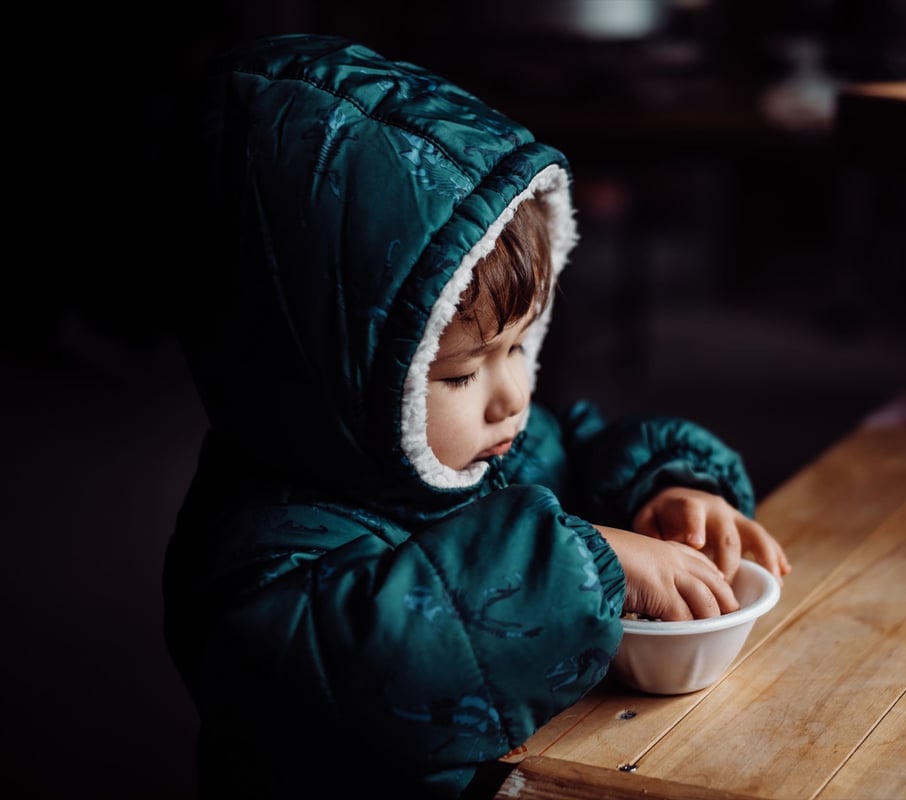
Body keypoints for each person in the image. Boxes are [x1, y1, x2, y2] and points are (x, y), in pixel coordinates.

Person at [163, 33, 790, 799]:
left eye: (521, 348)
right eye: (461, 371)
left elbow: (584, 449)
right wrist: (587, 564)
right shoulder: (256, 559)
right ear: (316, 375)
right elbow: (377, 674)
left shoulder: (489, 445)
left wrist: (666, 490)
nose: (512, 398)